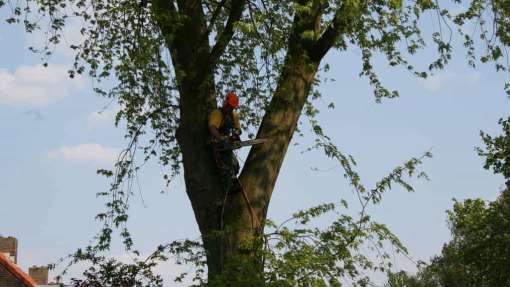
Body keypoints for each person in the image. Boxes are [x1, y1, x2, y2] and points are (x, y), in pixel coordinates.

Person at [209, 91, 242, 192]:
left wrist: (235, 135)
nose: (230, 109)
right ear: (226, 103)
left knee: (235, 166)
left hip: (227, 145)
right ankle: (227, 187)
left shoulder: (234, 115)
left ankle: (232, 180)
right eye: (230, 106)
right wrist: (222, 139)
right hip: (217, 144)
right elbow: (212, 128)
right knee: (226, 167)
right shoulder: (218, 114)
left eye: (232, 107)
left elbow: (238, 129)